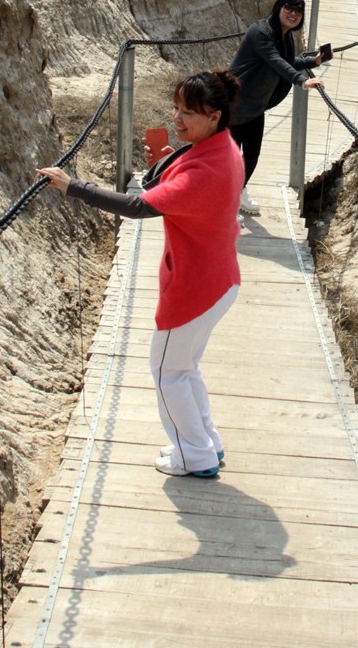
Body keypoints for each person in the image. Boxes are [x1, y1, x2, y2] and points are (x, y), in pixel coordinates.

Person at [37, 70, 244, 478]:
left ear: (214, 116)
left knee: (167, 372)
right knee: (183, 368)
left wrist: (72, 186)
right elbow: (176, 183)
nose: (177, 118)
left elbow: (138, 207)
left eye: (188, 113)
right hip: (218, 279)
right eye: (177, 108)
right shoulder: (223, 147)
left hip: (196, 288)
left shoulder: (207, 170)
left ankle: (194, 456)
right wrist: (162, 162)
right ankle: (205, 443)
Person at [229, 0, 324, 216]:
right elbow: (275, 61)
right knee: (228, 157)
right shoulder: (260, 32)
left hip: (256, 107)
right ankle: (225, 204)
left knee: (251, 155)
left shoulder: (285, 36)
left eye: (298, 11)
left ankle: (238, 192)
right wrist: (301, 80)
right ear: (278, 8)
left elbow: (287, 61)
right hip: (234, 104)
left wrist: (314, 60)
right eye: (288, 8)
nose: (293, 14)